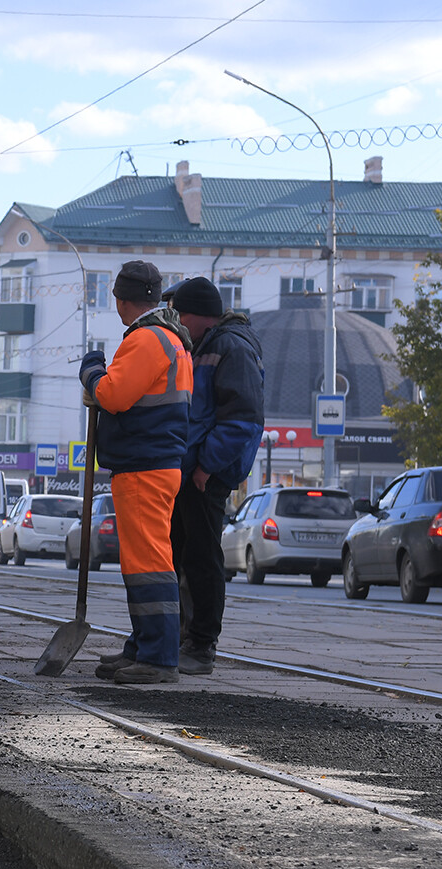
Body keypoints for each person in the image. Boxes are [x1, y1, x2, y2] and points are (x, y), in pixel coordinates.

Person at [78, 259, 192, 684]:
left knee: (149, 563)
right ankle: (143, 646)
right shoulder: (173, 341)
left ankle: (159, 657)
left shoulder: (147, 341)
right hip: (152, 463)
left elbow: (113, 395)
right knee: (142, 561)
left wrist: (91, 369)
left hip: (145, 465)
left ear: (123, 300)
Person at [166, 277, 263, 676]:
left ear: (198, 315)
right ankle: (181, 638)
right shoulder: (209, 344)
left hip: (208, 473)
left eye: (179, 315)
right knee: (183, 553)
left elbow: (241, 419)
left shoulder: (229, 347)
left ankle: (201, 644)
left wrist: (206, 466)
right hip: (194, 470)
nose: (175, 323)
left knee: (201, 557)